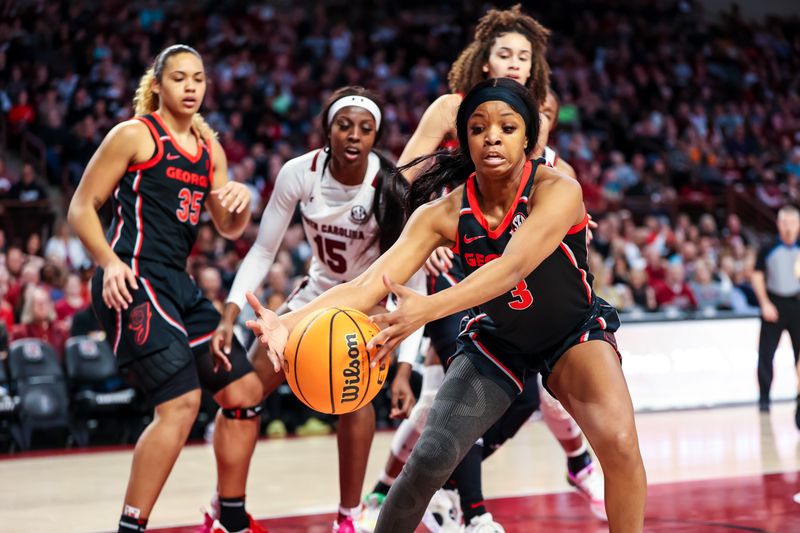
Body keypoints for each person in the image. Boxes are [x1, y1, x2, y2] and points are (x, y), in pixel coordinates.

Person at [247, 78, 647, 533]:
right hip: (499, 341)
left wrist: (427, 307)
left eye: (507, 127)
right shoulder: (441, 214)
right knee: (427, 462)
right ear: (464, 139)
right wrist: (288, 321)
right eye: (478, 128)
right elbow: (363, 287)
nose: (492, 136)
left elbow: (511, 268)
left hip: (572, 334)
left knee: (618, 444)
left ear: (529, 138)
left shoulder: (559, 189)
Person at [361, 7, 604, 531]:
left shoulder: (542, 107)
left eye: (524, 56)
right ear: (483, 58)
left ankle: (411, 491)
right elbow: (402, 178)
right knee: (453, 390)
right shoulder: (451, 107)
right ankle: (472, 511)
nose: (515, 63)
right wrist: (422, 242)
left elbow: (539, 178)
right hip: (456, 253)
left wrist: (571, 217)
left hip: (516, 264)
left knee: (484, 397)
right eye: (505, 53)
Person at [68, 44, 266, 533]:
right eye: (179, 78)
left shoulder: (209, 148)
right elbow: (80, 207)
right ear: (157, 84)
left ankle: (230, 519)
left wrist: (238, 203)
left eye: (198, 78)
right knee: (180, 405)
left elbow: (227, 227)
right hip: (130, 276)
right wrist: (108, 263)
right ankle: (130, 528)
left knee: (245, 391)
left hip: (176, 281)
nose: (191, 86)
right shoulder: (134, 135)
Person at [207, 86, 417, 533]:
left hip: (363, 311)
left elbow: (411, 284)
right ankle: (224, 511)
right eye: (344, 125)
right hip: (312, 300)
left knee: (356, 402)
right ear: (328, 129)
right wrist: (230, 310)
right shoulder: (299, 173)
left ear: (376, 134)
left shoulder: (391, 186)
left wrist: (405, 366)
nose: (354, 136)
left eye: (365, 128)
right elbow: (263, 251)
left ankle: (349, 517)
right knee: (242, 396)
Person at [752, 204, 800, 422]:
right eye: (784, 222)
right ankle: (764, 399)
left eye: (792, 222)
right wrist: (765, 303)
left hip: (797, 304)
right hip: (774, 304)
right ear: (778, 224)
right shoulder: (768, 247)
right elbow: (757, 275)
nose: (788, 227)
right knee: (766, 354)